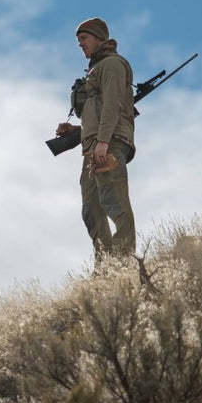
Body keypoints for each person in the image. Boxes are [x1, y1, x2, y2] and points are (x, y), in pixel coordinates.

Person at [55, 17, 136, 257]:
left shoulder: (112, 64)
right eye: (78, 40)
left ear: (99, 37)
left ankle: (123, 260)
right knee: (91, 209)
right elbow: (99, 114)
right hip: (93, 146)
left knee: (115, 202)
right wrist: (78, 132)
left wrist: (103, 143)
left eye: (84, 38)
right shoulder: (95, 68)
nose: (80, 44)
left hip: (107, 144)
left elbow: (112, 105)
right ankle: (106, 266)